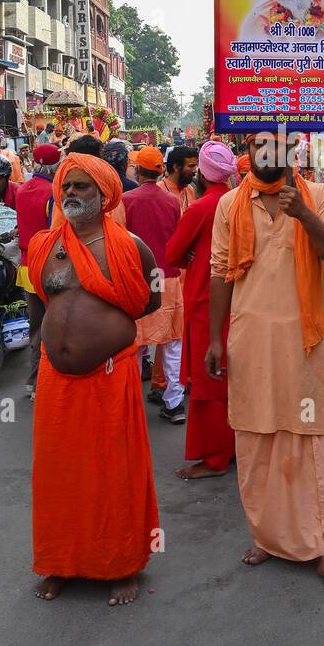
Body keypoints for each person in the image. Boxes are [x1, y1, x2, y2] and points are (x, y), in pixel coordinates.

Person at [207, 132, 324, 598]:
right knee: (256, 440)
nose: (268, 155)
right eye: (259, 146)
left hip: (305, 340)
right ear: (249, 153)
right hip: (249, 338)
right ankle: (269, 537)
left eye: (278, 147)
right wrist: (214, 338)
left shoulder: (315, 195)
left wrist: (303, 214)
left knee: (308, 440)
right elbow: (219, 270)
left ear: (292, 154)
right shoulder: (230, 203)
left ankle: (323, 550)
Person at [27, 154, 161, 606]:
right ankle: (60, 562)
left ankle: (121, 565)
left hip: (109, 374)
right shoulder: (44, 244)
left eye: (82, 187)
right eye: (67, 186)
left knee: (113, 473)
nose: (71, 194)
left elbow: (149, 301)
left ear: (104, 195)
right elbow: (43, 302)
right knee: (58, 474)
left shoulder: (130, 247)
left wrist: (104, 334)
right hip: (56, 379)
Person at [164, 140, 237, 478]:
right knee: (231, 375)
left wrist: (191, 255)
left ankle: (214, 458)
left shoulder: (203, 207)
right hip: (240, 297)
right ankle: (234, 447)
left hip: (206, 298)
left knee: (210, 378)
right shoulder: (240, 201)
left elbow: (172, 254)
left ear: (203, 175)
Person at [123, 146, 185, 423]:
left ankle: (131, 404)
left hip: (139, 281)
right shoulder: (172, 201)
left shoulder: (126, 200)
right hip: (169, 278)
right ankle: (175, 403)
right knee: (172, 344)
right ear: (161, 170)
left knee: (134, 346)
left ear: (137, 171)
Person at [15, 143, 60, 397]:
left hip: (26, 266)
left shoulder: (22, 189)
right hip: (47, 266)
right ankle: (49, 381)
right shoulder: (52, 192)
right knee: (52, 325)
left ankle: (33, 382)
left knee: (36, 325)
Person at [162, 145, 198, 210]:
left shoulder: (190, 189)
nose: (195, 170)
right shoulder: (159, 190)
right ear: (176, 167)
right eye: (191, 166)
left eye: (195, 166)